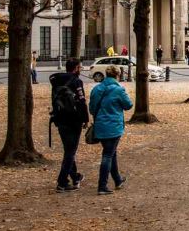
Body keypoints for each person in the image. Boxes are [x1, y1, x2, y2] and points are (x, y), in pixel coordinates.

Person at [89, 66, 133, 195]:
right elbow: (128, 105)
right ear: (117, 76)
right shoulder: (119, 90)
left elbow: (92, 108)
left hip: (100, 126)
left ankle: (118, 180)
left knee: (111, 152)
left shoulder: (96, 89)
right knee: (108, 154)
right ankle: (102, 186)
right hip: (114, 126)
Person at [50, 59, 90, 192]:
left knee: (68, 149)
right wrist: (85, 118)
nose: (81, 69)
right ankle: (62, 182)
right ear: (76, 68)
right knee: (70, 152)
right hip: (74, 120)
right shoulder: (76, 82)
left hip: (60, 119)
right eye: (80, 67)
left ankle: (75, 176)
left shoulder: (56, 81)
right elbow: (82, 101)